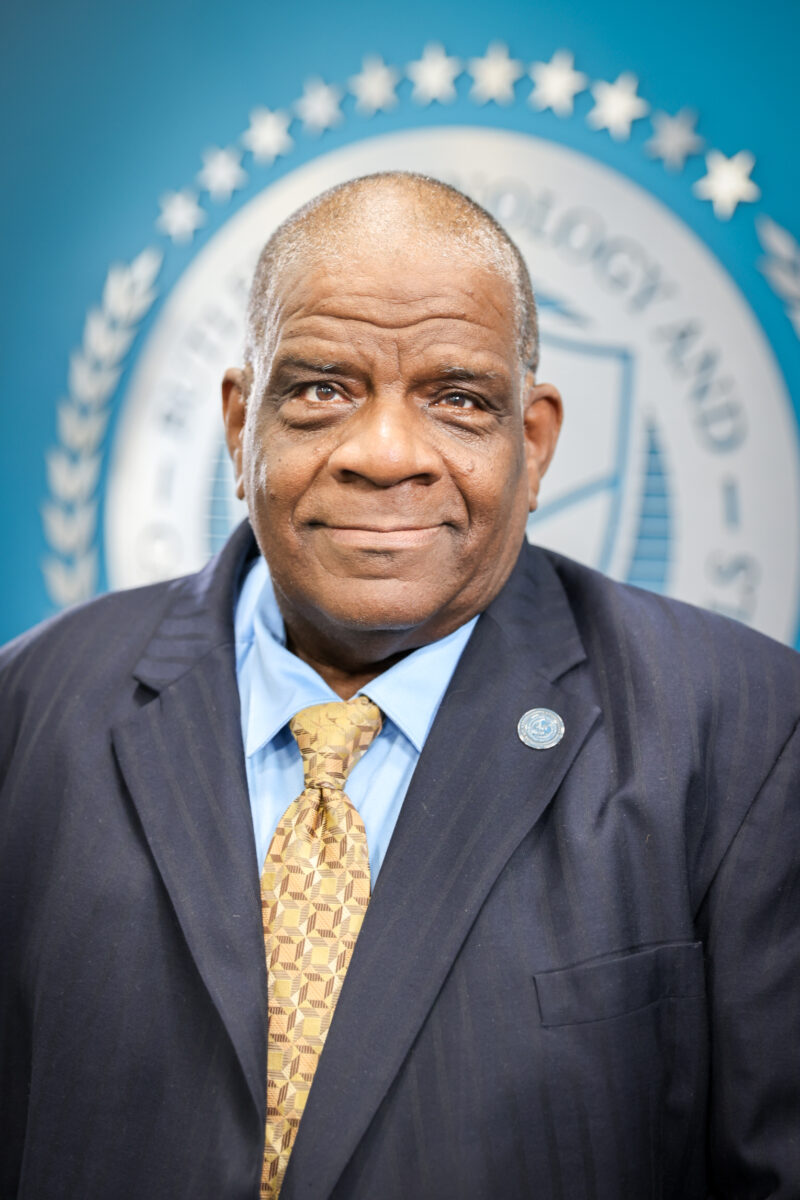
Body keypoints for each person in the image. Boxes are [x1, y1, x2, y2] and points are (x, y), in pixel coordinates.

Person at [1, 172, 798, 1200]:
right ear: (241, 425)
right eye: (321, 390)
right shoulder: (29, 711)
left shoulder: (739, 731)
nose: (384, 455)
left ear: (533, 440)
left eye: (457, 400)